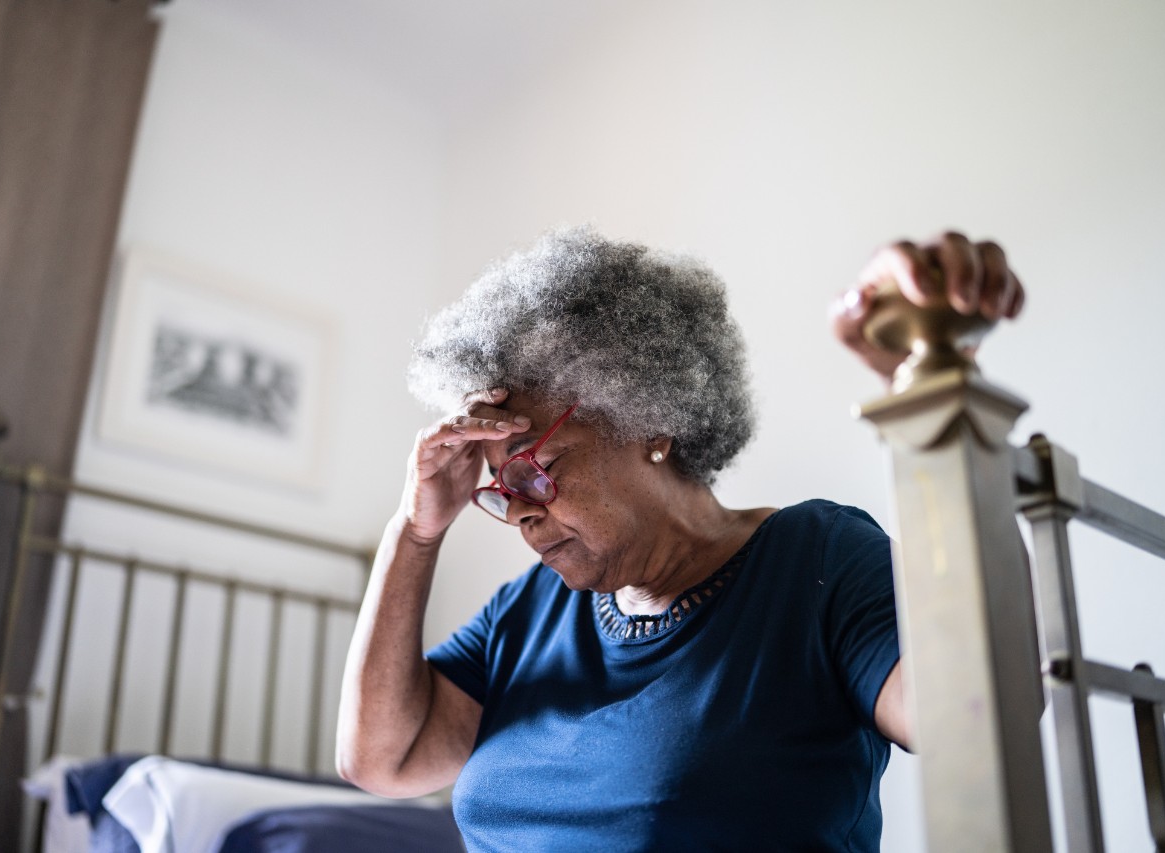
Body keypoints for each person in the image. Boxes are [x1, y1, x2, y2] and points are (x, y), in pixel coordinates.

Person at [336, 228, 1024, 851]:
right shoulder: (529, 611)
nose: (518, 513)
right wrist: (416, 531)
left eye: (533, 468)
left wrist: (930, 387)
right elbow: (382, 759)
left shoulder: (817, 559)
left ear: (650, 420)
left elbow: (974, 712)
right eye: (498, 486)